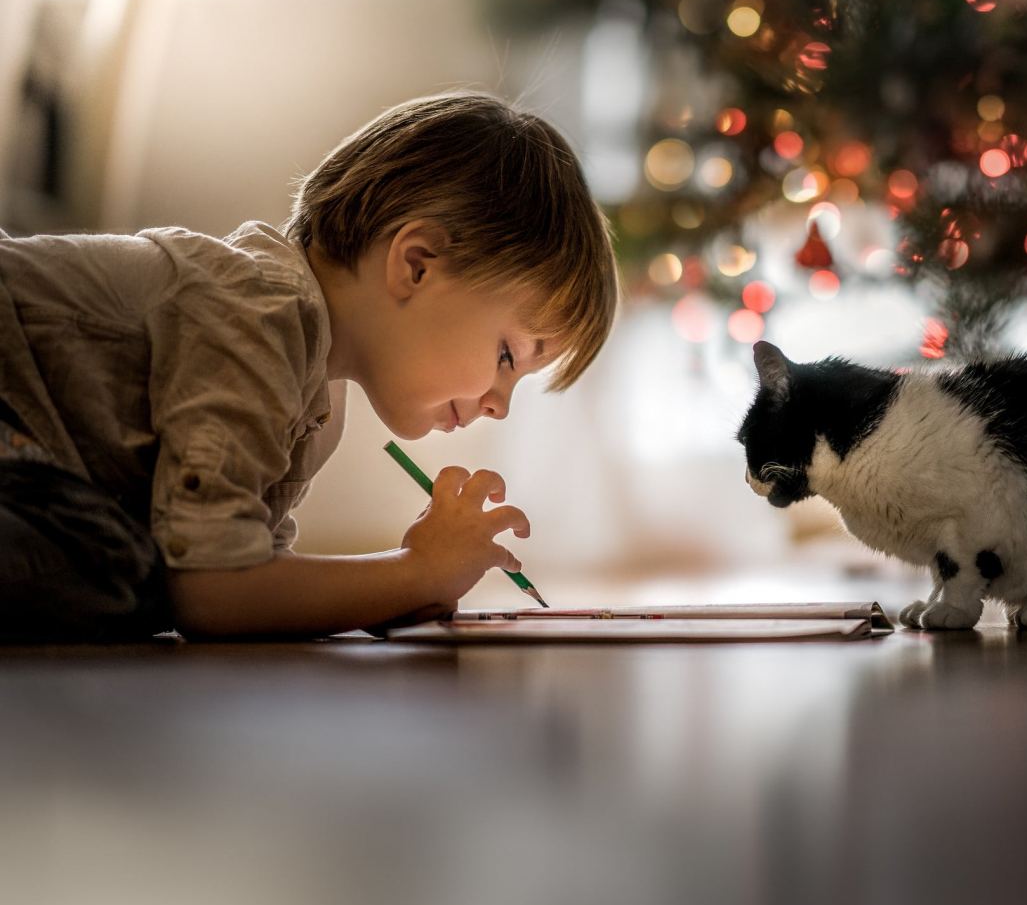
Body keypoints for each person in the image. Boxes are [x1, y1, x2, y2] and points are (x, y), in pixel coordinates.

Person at [0, 92, 618, 640]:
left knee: (125, 572)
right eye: (507, 356)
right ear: (417, 264)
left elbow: (252, 573)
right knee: (123, 576)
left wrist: (404, 588)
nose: (498, 404)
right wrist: (415, 572)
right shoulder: (257, 317)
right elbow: (214, 590)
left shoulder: (318, 403)